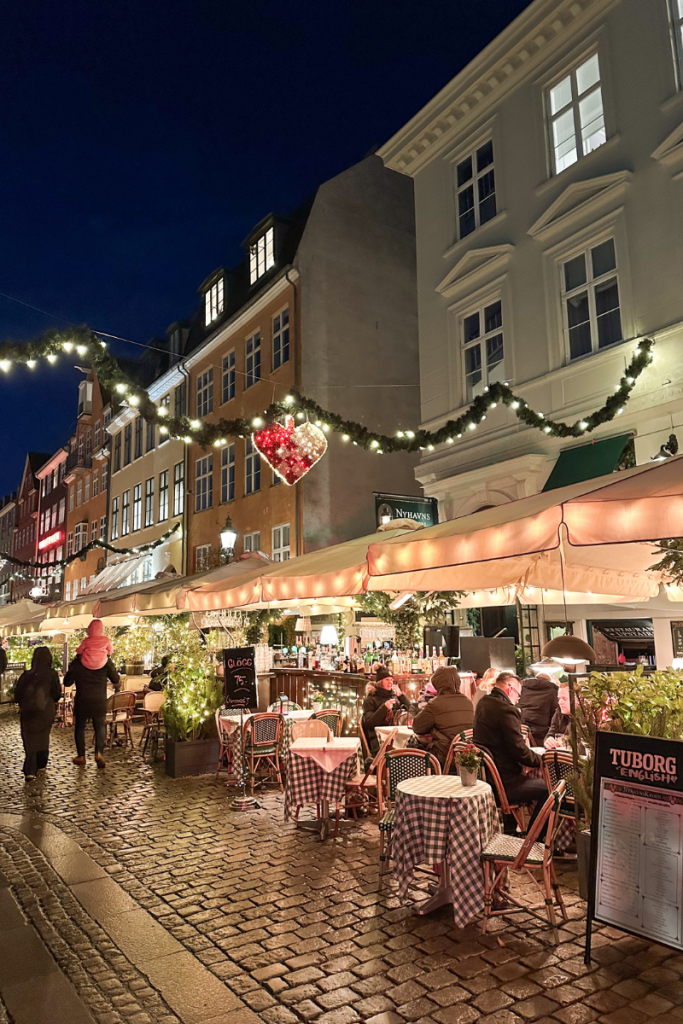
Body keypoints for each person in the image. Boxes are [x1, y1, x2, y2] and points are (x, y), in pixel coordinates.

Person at [473, 671, 547, 831]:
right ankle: (534, 840)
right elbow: (519, 751)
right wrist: (543, 760)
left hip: (486, 779)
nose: (518, 700)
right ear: (510, 689)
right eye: (518, 696)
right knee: (548, 790)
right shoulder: (506, 710)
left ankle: (510, 832)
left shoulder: (483, 702)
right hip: (503, 784)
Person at [65, 645, 120, 769]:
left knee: (80, 727)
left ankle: (81, 756)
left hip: (82, 699)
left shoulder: (79, 661)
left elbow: (67, 682)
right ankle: (99, 752)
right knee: (99, 725)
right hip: (99, 699)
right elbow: (115, 679)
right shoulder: (105, 661)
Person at [14, 647, 62, 781]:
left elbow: (17, 695)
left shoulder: (26, 675)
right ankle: (41, 762)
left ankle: (30, 769)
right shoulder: (52, 674)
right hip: (45, 711)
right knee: (43, 736)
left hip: (28, 713)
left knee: (29, 739)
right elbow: (57, 694)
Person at [411, 666, 474, 768]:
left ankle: (414, 781)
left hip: (444, 758)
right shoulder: (468, 702)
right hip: (467, 756)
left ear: (437, 684)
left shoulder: (435, 704)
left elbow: (417, 727)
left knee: (412, 743)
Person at [362, 666, 410, 755]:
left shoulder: (393, 696)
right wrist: (384, 708)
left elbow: (411, 710)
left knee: (412, 748)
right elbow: (368, 724)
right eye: (387, 680)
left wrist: (401, 696)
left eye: (391, 680)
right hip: (378, 739)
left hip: (396, 736)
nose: (390, 683)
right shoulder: (370, 699)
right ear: (380, 682)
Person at [517, 671, 560, 746]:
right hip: (541, 736)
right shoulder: (552, 691)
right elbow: (554, 716)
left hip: (522, 732)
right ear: (549, 681)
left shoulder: (522, 689)